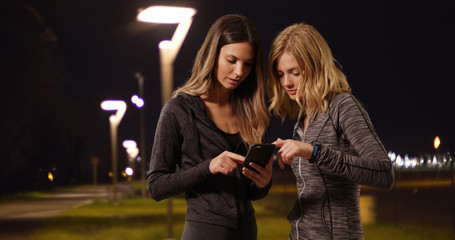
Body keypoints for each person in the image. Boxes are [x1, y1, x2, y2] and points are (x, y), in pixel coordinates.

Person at [147, 14, 272, 240]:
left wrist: (263, 184)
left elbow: (247, 193)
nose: (239, 72)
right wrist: (208, 167)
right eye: (232, 60)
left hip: (247, 232)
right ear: (212, 55)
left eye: (248, 64)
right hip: (204, 232)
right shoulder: (179, 110)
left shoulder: (251, 113)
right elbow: (156, 186)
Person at [267, 23, 395, 239]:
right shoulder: (302, 120)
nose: (286, 82)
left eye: (295, 72)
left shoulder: (343, 106)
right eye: (280, 74)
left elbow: (384, 173)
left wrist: (314, 152)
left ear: (316, 66)